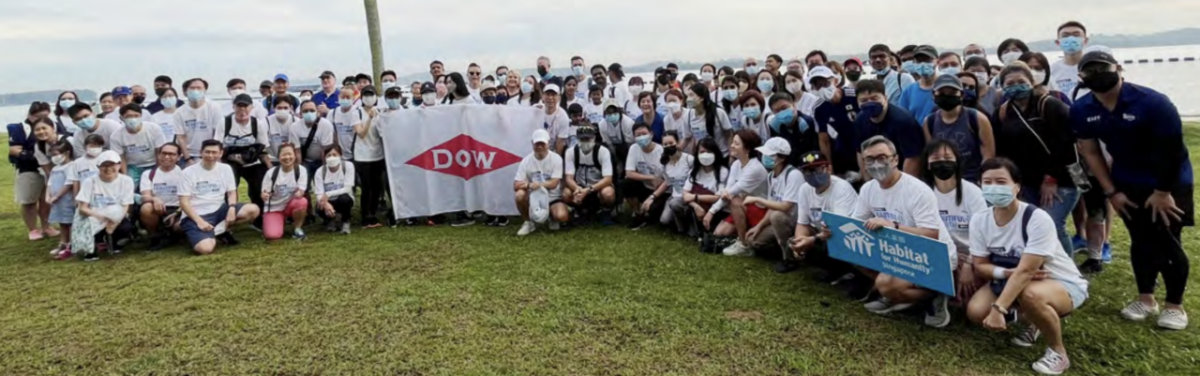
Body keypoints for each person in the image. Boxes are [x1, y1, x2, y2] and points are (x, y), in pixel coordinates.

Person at [1072, 50, 1193, 330]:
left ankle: (1175, 306)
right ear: (1081, 77)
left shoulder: (1153, 103)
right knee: (1141, 239)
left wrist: (1162, 191)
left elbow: (1173, 151)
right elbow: (1090, 152)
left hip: (1169, 181)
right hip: (1126, 181)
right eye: (1089, 71)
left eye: (1102, 68)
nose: (1097, 75)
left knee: (1167, 240)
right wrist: (1112, 191)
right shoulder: (1082, 109)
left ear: (1118, 68)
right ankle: (1145, 299)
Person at [966, 158, 1089, 376]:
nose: (994, 187)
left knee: (1030, 294)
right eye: (988, 182)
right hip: (1013, 279)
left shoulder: (1037, 218)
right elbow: (980, 265)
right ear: (980, 186)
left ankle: (1058, 352)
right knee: (976, 311)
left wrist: (998, 309)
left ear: (1017, 186)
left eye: (1002, 181)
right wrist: (1004, 272)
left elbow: (1027, 271)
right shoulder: (980, 220)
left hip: (1059, 282)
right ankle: (1033, 320)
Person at [855, 136, 956, 328]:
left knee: (885, 283)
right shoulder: (868, 189)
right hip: (898, 251)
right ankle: (897, 293)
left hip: (933, 254)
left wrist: (892, 226)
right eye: (869, 159)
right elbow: (857, 222)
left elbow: (931, 235)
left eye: (882, 157)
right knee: (855, 253)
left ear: (895, 159)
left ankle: (934, 294)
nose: (876, 164)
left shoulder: (917, 190)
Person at [994, 62, 1081, 257]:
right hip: (1027, 181)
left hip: (1064, 177)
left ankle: (1069, 276)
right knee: (1030, 227)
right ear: (1002, 86)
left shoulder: (1051, 105)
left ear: (1032, 82)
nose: (1016, 85)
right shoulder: (1002, 112)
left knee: (1052, 224)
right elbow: (1002, 152)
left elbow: (1068, 145)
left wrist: (1051, 180)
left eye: (1021, 81)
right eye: (1010, 83)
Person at [921, 140, 988, 303]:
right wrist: (951, 256)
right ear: (928, 164)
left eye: (947, 157)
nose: (942, 162)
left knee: (970, 304)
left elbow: (984, 234)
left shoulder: (973, 192)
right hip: (940, 254)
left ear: (957, 162)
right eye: (935, 157)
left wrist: (968, 263)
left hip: (973, 256)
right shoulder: (923, 192)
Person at [179, 140, 260, 255]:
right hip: (197, 214)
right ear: (201, 152)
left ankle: (218, 230)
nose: (211, 156)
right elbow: (184, 202)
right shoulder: (188, 172)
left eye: (214, 152)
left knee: (253, 210)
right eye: (207, 152)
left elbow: (232, 192)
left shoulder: (225, 168)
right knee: (205, 249)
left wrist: (232, 207)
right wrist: (200, 222)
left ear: (221, 153)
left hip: (220, 210)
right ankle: (209, 233)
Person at [789, 151, 859, 277]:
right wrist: (799, 243)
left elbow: (838, 228)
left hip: (845, 234)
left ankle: (848, 272)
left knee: (832, 242)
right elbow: (802, 223)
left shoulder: (842, 188)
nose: (813, 174)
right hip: (821, 232)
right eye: (807, 171)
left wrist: (811, 240)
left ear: (829, 168)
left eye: (818, 169)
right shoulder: (804, 189)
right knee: (795, 240)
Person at [921, 75, 995, 182]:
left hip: (973, 180)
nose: (947, 96)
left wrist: (982, 179)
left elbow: (988, 155)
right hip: (944, 182)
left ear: (961, 95)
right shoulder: (929, 122)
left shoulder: (977, 118)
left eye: (952, 93)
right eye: (941, 93)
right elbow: (931, 155)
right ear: (933, 95)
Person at [744, 137, 803, 270]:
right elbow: (772, 205)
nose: (765, 157)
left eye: (769, 155)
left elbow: (786, 206)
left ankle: (789, 258)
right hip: (780, 221)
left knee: (777, 216)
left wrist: (757, 199)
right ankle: (783, 246)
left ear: (782, 158)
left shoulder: (793, 175)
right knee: (753, 240)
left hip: (797, 222)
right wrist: (758, 227)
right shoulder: (771, 176)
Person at [709, 130, 768, 256]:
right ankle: (742, 232)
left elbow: (732, 192)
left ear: (747, 149)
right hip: (745, 205)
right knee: (720, 233)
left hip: (760, 208)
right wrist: (724, 193)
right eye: (733, 142)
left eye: (736, 143)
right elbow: (728, 188)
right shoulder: (736, 164)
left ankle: (743, 244)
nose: (732, 146)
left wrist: (711, 212)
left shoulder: (755, 168)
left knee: (734, 200)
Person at [853, 80, 925, 177]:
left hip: (901, 171)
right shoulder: (859, 120)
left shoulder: (903, 121)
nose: (869, 103)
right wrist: (868, 181)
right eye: (864, 100)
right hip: (877, 169)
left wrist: (903, 186)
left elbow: (913, 158)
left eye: (875, 98)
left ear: (885, 98)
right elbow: (860, 152)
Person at [74, 151, 136, 261]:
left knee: (125, 226)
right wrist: (101, 217)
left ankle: (114, 242)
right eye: (104, 165)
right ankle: (90, 249)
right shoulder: (90, 181)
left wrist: (115, 222)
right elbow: (82, 208)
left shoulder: (127, 181)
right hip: (93, 215)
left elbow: (126, 205)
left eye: (112, 165)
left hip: (115, 215)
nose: (108, 169)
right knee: (87, 223)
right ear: (98, 167)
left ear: (119, 165)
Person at [222, 94, 272, 229]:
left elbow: (262, 149)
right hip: (230, 162)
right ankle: (226, 219)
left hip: (252, 162)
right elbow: (218, 147)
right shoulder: (225, 123)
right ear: (233, 107)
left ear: (251, 107)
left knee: (259, 187)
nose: (242, 110)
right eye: (239, 106)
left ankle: (260, 219)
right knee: (228, 188)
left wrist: (270, 169)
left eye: (246, 106)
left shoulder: (258, 124)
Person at [8, 103, 57, 241]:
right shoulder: (20, 128)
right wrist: (31, 155)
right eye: (38, 116)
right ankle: (33, 229)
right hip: (29, 168)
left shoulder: (54, 125)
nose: (41, 119)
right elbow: (14, 149)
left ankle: (47, 226)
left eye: (45, 116)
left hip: (49, 166)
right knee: (29, 200)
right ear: (30, 115)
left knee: (46, 200)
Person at [514, 129, 569, 236]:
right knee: (519, 195)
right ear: (532, 144)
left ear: (548, 144)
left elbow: (554, 184)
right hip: (535, 197)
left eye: (542, 144)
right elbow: (516, 185)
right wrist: (529, 185)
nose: (539, 147)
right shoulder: (526, 161)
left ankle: (552, 217)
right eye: (537, 144)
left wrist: (538, 185)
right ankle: (528, 222)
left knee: (562, 216)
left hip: (553, 196)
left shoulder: (556, 158)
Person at [813, 67, 862, 181]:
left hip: (862, 147)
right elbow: (824, 140)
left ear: (835, 81)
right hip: (841, 154)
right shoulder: (818, 108)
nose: (823, 88)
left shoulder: (854, 95)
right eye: (818, 86)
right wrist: (830, 168)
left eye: (826, 83)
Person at [563, 125, 616, 224]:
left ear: (594, 138)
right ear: (577, 139)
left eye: (588, 138)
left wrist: (588, 190)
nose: (585, 142)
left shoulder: (603, 152)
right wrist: (577, 188)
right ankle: (579, 210)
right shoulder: (571, 152)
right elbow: (569, 178)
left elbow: (608, 179)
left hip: (598, 186)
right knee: (566, 193)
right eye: (582, 139)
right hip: (579, 186)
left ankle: (605, 211)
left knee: (608, 193)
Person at [351, 85, 387, 228]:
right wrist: (370, 119)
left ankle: (373, 215)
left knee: (377, 186)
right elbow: (361, 133)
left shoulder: (380, 112)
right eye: (365, 95)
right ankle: (365, 217)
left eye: (371, 95)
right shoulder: (357, 113)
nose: (368, 98)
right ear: (361, 97)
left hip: (378, 154)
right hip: (362, 156)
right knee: (366, 187)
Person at [680, 138, 729, 242]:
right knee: (675, 203)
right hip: (696, 206)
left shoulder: (722, 171)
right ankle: (687, 229)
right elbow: (685, 193)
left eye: (709, 152)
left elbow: (718, 197)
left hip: (714, 209)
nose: (705, 155)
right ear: (697, 154)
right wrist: (696, 206)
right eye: (702, 152)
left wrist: (695, 197)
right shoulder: (694, 171)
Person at [139, 142, 185, 251]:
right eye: (163, 153)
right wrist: (154, 198)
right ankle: (155, 238)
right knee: (146, 208)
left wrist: (177, 212)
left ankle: (174, 236)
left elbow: (191, 199)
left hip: (179, 210)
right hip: (158, 208)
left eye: (171, 154)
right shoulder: (149, 174)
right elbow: (145, 196)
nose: (166, 157)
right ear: (158, 155)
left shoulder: (184, 173)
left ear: (179, 157)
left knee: (179, 228)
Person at [110, 103, 169, 185]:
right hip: (133, 167)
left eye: (136, 115)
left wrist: (159, 170)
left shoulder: (153, 128)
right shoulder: (116, 136)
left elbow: (159, 151)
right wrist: (125, 176)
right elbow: (121, 157)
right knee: (129, 186)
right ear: (121, 118)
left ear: (141, 115)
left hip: (153, 164)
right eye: (128, 116)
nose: (133, 119)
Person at [261, 143, 309, 241]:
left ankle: (297, 228)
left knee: (302, 201)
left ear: (295, 156)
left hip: (290, 205)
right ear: (278, 157)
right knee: (272, 236)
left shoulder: (301, 170)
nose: (287, 157)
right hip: (274, 208)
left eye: (290, 154)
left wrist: (300, 192)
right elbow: (264, 193)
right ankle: (278, 221)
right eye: (283, 155)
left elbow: (301, 189)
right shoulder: (271, 173)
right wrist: (264, 195)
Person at [622, 123, 666, 230]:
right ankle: (637, 213)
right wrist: (651, 178)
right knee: (626, 183)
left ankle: (649, 214)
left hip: (660, 190)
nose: (641, 137)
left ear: (651, 134)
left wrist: (653, 196)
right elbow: (629, 172)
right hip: (645, 186)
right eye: (638, 135)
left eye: (644, 134)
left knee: (655, 212)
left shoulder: (661, 151)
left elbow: (667, 180)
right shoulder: (634, 148)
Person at [175, 78, 226, 164]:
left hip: (210, 154)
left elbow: (217, 134)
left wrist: (213, 154)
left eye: (199, 88)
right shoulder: (179, 112)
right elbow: (180, 138)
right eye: (192, 88)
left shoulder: (214, 107)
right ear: (185, 92)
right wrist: (188, 159)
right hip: (189, 155)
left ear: (205, 91)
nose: (196, 91)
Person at [767, 93, 819, 165]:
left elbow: (813, 148)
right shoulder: (774, 125)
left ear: (794, 106)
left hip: (808, 161)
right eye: (777, 110)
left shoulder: (805, 122)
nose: (781, 112)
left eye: (784, 108)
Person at [313, 146, 355, 234]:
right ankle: (330, 220)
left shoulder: (348, 166)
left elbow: (348, 188)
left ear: (340, 155)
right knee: (319, 206)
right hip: (328, 201)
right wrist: (326, 204)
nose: (332, 157)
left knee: (345, 199)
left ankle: (345, 221)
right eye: (329, 155)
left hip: (343, 198)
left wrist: (328, 194)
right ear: (324, 157)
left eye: (335, 154)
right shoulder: (320, 171)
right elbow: (319, 194)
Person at [656, 131, 694, 232]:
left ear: (677, 142)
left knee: (676, 206)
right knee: (664, 220)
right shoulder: (664, 164)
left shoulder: (688, 159)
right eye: (665, 144)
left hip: (689, 196)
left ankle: (687, 223)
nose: (669, 146)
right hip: (674, 195)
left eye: (671, 143)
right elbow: (668, 182)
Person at [44, 140, 76, 259]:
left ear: (67, 153)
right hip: (56, 201)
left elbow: (69, 183)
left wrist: (57, 196)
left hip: (66, 199)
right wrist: (48, 196)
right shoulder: (55, 168)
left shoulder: (72, 166)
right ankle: (63, 243)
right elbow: (50, 182)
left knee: (71, 221)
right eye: (52, 155)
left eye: (56, 154)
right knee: (62, 222)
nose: (54, 157)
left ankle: (73, 245)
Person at [289, 100, 336, 180]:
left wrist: (325, 169)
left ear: (317, 112)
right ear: (300, 114)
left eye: (312, 110)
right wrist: (299, 170)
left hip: (321, 160)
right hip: (305, 160)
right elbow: (297, 151)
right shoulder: (294, 127)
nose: (309, 113)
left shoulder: (326, 125)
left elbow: (326, 150)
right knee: (303, 183)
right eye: (305, 111)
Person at [896, 45, 940, 125]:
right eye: (919, 61)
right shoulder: (909, 91)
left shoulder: (946, 87)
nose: (923, 64)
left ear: (937, 61)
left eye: (927, 60)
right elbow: (902, 119)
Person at [685, 84, 733, 156]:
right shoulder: (688, 115)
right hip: (702, 156)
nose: (688, 99)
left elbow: (729, 134)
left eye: (691, 95)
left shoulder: (719, 113)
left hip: (721, 155)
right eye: (687, 96)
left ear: (701, 98)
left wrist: (731, 155)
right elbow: (689, 138)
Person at [1051, 21, 1089, 99]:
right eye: (1065, 36)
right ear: (1058, 42)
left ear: (1085, 41)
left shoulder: (1093, 67)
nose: (1071, 39)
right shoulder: (1051, 71)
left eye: (1076, 35)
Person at [328, 88, 365, 162]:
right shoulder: (332, 113)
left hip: (357, 154)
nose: (345, 99)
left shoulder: (358, 111)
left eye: (348, 97)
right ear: (338, 98)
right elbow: (330, 132)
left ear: (353, 98)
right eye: (342, 97)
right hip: (340, 154)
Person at [600, 100, 635, 172]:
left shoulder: (628, 122)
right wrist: (617, 161)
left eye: (614, 112)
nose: (612, 115)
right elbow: (608, 144)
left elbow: (630, 143)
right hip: (613, 148)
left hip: (627, 147)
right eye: (609, 112)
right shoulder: (602, 124)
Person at [264, 95, 297, 163]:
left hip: (291, 159)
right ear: (273, 108)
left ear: (291, 108)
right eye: (279, 108)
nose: (282, 110)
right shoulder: (265, 122)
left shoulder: (296, 121)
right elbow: (263, 148)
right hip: (272, 160)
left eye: (285, 108)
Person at [541, 84, 570, 155]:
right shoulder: (536, 110)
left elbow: (560, 142)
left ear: (559, 98)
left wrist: (556, 159)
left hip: (552, 151)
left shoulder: (563, 116)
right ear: (543, 97)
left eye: (553, 95)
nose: (550, 98)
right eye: (547, 94)